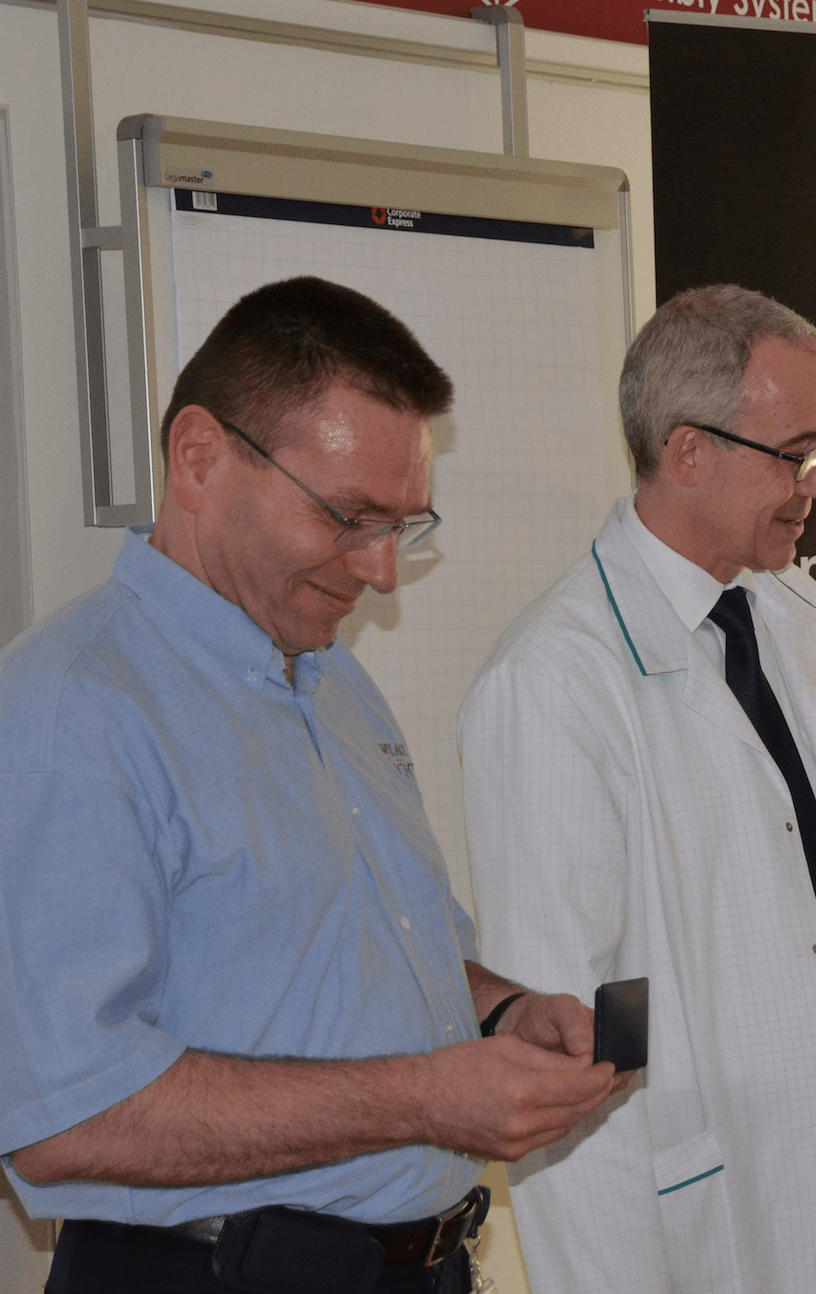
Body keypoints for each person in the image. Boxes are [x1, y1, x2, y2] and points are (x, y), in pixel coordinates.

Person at [0, 277, 626, 1294]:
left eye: (403, 526)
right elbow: (64, 1116)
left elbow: (357, 968)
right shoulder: (75, 710)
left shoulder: (330, 678)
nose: (382, 572)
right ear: (198, 457)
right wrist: (423, 1098)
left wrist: (503, 1017)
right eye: (349, 517)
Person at [459, 284, 816, 1294]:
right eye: (798, 453)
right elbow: (570, 1033)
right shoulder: (555, 682)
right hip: (716, 1193)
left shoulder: (806, 618)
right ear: (688, 452)